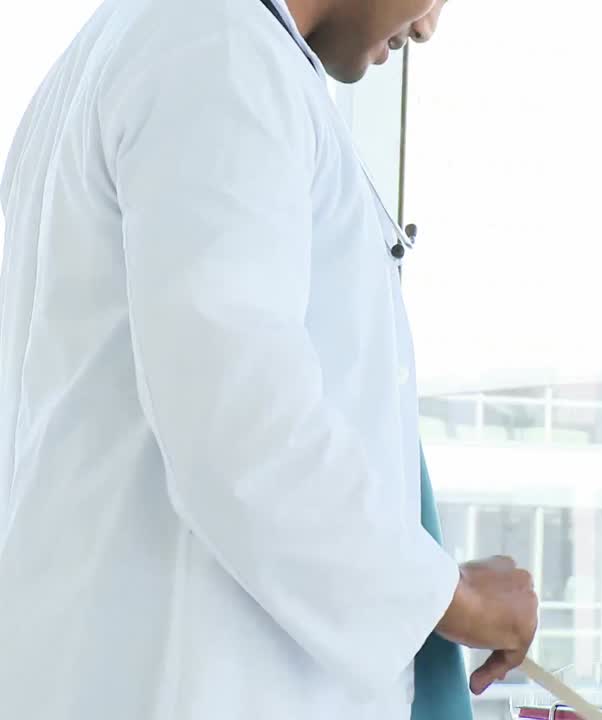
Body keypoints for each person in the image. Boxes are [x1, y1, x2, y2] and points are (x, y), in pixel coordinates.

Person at [0, 0, 537, 718]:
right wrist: (451, 598)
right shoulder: (217, 50)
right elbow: (240, 428)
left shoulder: (162, 39)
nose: (428, 25)